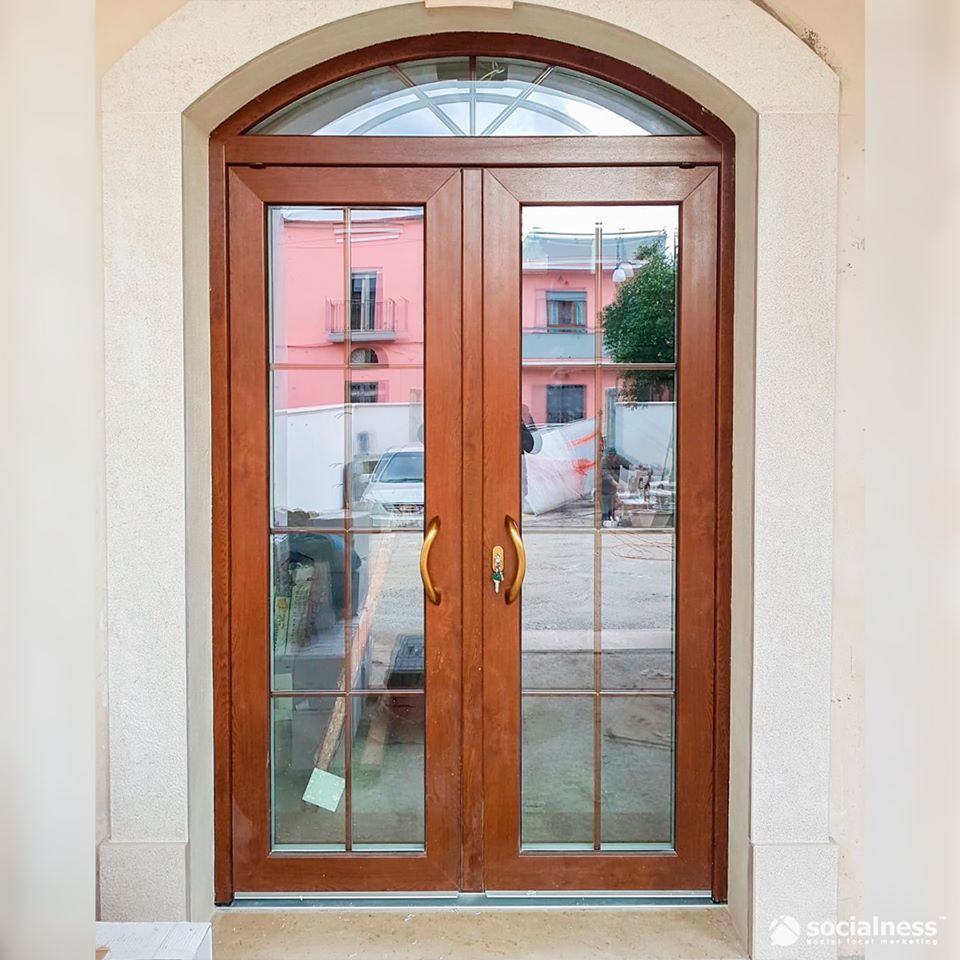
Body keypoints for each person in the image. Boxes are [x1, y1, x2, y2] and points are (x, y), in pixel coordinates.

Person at [600, 444, 632, 522]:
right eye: (608, 457)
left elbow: (627, 464)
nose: (611, 458)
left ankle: (612, 517)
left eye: (612, 456)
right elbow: (607, 475)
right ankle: (604, 520)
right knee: (605, 504)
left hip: (614, 487)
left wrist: (635, 468)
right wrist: (617, 484)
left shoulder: (618, 458)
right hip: (605, 487)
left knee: (613, 504)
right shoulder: (603, 461)